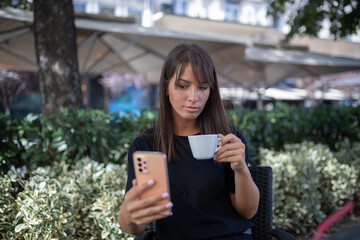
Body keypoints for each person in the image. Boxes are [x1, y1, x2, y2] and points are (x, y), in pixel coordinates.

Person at [117, 43, 260, 240]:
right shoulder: (146, 145)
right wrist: (128, 212)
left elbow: (248, 212)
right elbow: (135, 228)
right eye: (183, 86)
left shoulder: (227, 138)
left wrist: (241, 168)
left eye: (202, 87)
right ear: (166, 87)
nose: (194, 97)